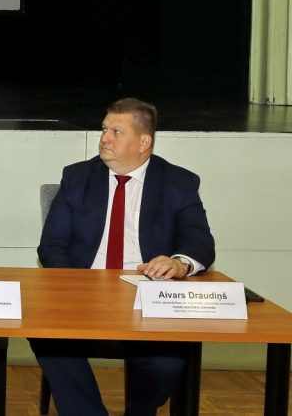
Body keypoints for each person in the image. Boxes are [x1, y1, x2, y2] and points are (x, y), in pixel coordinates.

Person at [32, 97, 214, 416]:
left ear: (144, 143)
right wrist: (78, 286)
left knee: (166, 363)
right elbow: (52, 245)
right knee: (44, 335)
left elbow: (200, 242)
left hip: (146, 300)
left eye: (116, 132)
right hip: (84, 296)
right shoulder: (77, 177)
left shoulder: (179, 182)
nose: (105, 138)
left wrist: (179, 263)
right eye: (104, 129)